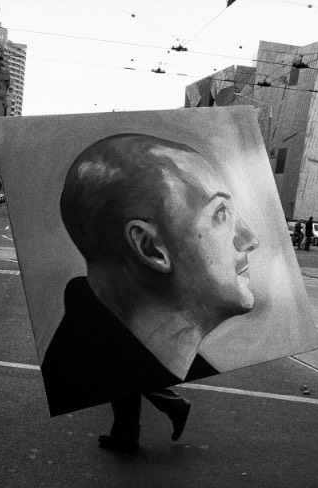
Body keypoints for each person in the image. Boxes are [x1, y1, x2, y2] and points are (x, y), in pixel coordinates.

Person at [42, 133, 260, 450]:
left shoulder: (94, 333)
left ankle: (135, 429)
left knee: (124, 371)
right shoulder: (78, 357)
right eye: (220, 213)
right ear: (150, 247)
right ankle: (146, 421)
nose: (250, 239)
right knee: (124, 370)